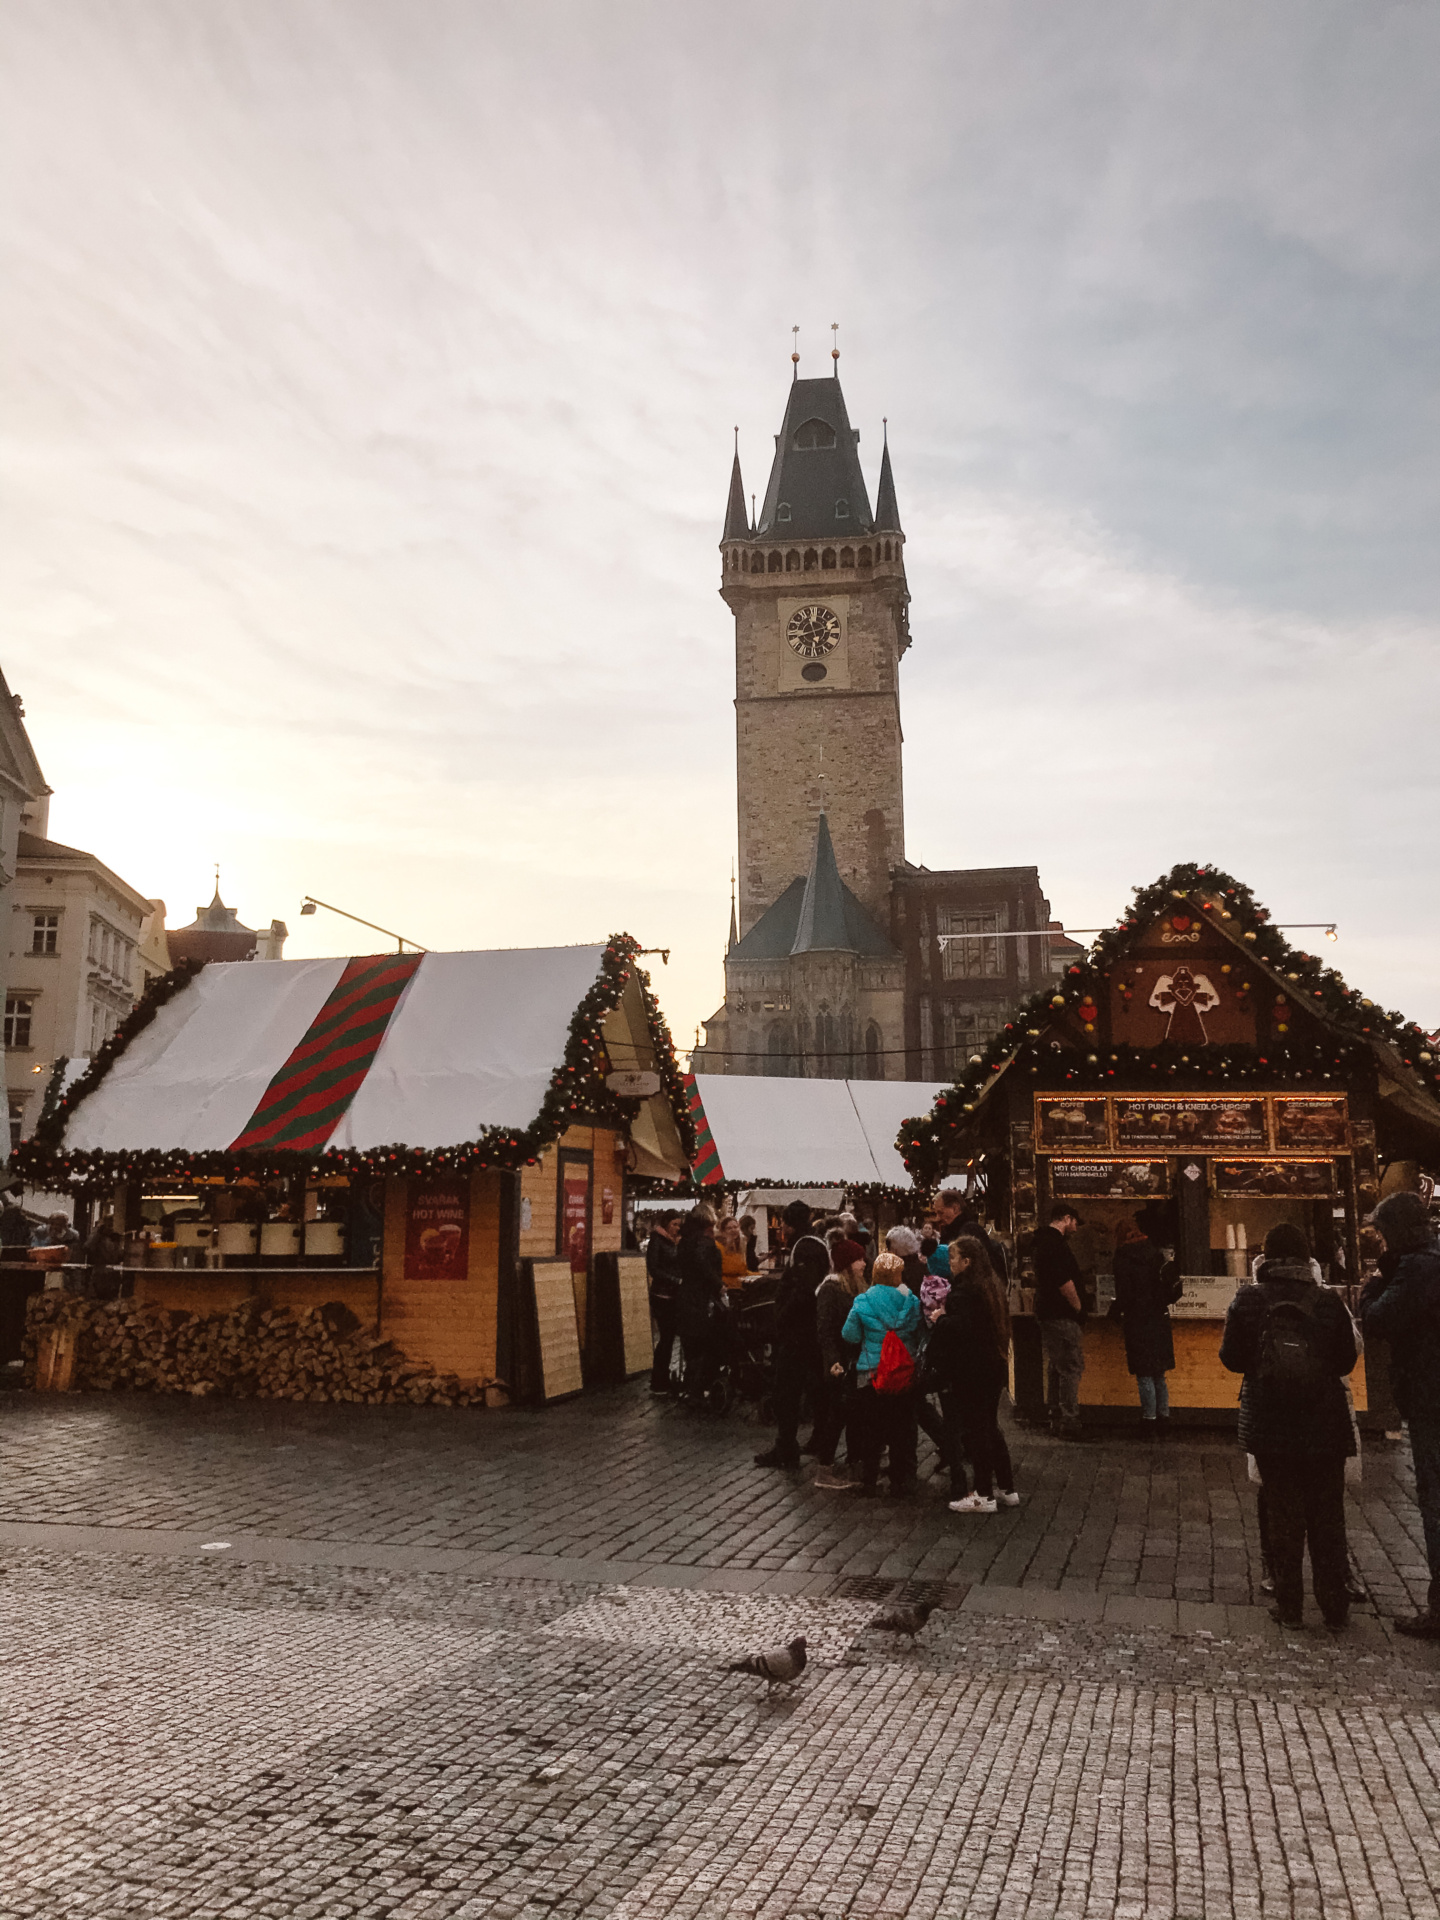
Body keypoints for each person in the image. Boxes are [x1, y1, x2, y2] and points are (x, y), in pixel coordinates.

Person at [1220, 1223, 1358, 1630]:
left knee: (1283, 1515)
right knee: (1328, 1515)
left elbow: (1231, 1357)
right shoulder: (1330, 1301)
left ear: (1266, 1255)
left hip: (1270, 1422)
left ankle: (1290, 1606)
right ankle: (1335, 1609)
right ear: (1305, 1257)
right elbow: (1346, 1360)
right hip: (1326, 1422)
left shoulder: (1247, 1299)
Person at [1360, 1191, 1440, 1637]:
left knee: (1435, 1502)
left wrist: (1376, 1278)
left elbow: (1375, 1319)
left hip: (1430, 1397)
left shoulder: (1417, 1267)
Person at [927, 1234, 1019, 1513]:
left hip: (972, 1370)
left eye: (953, 1258)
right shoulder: (990, 1285)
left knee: (978, 1431)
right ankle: (1006, 1487)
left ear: (966, 1261)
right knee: (990, 1427)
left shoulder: (965, 1291)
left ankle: (983, 1494)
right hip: (992, 1366)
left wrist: (940, 1319)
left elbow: (963, 1330)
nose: (950, 1263)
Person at [842, 1248, 923, 1496]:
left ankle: (869, 1480)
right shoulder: (911, 1301)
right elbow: (920, 1334)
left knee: (871, 1429)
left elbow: (850, 1334)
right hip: (902, 1371)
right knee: (902, 1427)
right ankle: (901, 1480)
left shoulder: (864, 1301)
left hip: (872, 1374)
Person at [755, 1234, 828, 1470]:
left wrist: (782, 1316)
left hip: (796, 1340)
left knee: (786, 1394)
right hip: (813, 1339)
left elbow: (796, 1299)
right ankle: (819, 1439)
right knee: (816, 1392)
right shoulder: (819, 1258)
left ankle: (786, 1447)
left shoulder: (802, 1263)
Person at [1112, 1217, 1183, 1435]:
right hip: (1159, 1317)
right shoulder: (1155, 1253)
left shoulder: (1123, 1257)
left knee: (1144, 1374)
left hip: (1138, 1319)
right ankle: (1163, 1417)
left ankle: (1148, 1420)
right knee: (1159, 1374)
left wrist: (1114, 1313)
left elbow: (1124, 1293)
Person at [812, 1236, 867, 1488]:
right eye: (858, 1259)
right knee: (835, 1415)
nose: (864, 1263)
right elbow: (824, 1329)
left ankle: (855, 1462)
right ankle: (824, 1470)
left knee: (851, 1414)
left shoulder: (855, 1287)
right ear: (847, 1263)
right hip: (839, 1363)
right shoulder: (831, 1289)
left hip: (853, 1360)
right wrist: (832, 1360)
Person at [1034, 1202, 1087, 1439]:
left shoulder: (1042, 1243)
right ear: (1066, 1218)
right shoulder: (1055, 1246)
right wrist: (1078, 1307)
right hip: (1061, 1313)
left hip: (1047, 1312)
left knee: (1056, 1366)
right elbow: (1064, 1282)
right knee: (1070, 1366)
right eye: (1075, 1222)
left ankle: (1055, 1415)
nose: (1076, 1227)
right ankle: (1069, 1420)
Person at [675, 1204, 727, 1405]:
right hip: (701, 1299)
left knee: (692, 1346)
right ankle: (699, 1387)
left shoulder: (685, 1240)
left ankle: (691, 1387)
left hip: (686, 1296)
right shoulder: (703, 1242)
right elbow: (703, 1266)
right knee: (705, 1343)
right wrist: (718, 1285)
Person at [645, 1210, 684, 1396]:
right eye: (674, 1224)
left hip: (673, 1295)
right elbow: (654, 1268)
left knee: (669, 1338)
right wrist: (674, 1280)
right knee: (667, 1337)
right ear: (667, 1223)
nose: (677, 1228)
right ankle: (659, 1380)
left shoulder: (674, 1242)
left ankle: (663, 1378)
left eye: (679, 1225)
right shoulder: (658, 1241)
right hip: (662, 1295)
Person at [717, 1217, 753, 1290]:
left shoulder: (740, 1246)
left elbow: (743, 1270)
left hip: (740, 1284)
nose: (733, 1230)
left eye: (735, 1227)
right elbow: (726, 1269)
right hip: (727, 1287)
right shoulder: (718, 1246)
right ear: (723, 1232)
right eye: (729, 1228)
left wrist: (758, 1275)